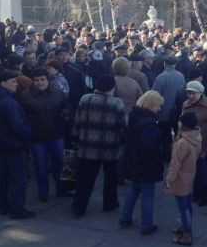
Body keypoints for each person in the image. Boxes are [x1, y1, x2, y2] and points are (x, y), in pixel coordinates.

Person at [71, 75, 126, 217]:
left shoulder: (85, 99)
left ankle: (79, 207)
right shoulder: (117, 103)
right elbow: (123, 126)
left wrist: (75, 138)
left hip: (88, 145)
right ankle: (110, 203)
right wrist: (123, 140)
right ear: (112, 87)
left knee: (86, 177)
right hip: (110, 146)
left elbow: (77, 121)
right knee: (110, 177)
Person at [19, 67, 72, 202]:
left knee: (59, 164)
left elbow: (67, 107)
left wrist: (64, 115)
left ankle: (62, 189)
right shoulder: (25, 96)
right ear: (32, 81)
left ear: (48, 80)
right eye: (36, 80)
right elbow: (21, 116)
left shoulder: (58, 92)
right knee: (40, 165)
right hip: (37, 137)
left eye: (42, 79)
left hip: (56, 135)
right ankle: (43, 192)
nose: (40, 83)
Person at [0, 70, 34, 219]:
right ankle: (17, 210)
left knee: (4, 178)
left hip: (2, 144)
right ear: (3, 83)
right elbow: (18, 127)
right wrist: (28, 137)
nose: (16, 84)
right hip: (15, 145)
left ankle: (3, 207)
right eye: (13, 82)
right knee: (18, 180)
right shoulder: (9, 102)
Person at [119, 90, 165, 235]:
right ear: (150, 105)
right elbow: (149, 147)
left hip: (133, 160)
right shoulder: (150, 123)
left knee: (133, 190)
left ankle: (125, 217)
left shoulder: (134, 116)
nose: (159, 109)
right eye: (157, 105)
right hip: (146, 164)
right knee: (147, 195)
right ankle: (146, 225)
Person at [182, 80, 207, 206]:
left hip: (205, 145)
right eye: (188, 93)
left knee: (203, 172)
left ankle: (204, 196)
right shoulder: (185, 104)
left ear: (200, 93)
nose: (190, 96)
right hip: (190, 144)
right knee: (192, 171)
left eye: (193, 93)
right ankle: (196, 193)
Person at [165, 112, 202, 246]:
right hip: (190, 174)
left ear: (184, 125)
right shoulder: (197, 136)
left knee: (183, 207)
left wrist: (169, 180)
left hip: (180, 178)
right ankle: (185, 227)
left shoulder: (182, 142)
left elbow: (175, 164)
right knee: (187, 204)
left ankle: (187, 234)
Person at [152, 55, 185, 162]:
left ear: (165, 64)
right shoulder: (181, 75)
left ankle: (168, 156)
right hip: (177, 111)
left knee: (165, 136)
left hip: (163, 112)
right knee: (178, 134)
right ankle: (179, 155)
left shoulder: (161, 77)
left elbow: (155, 95)